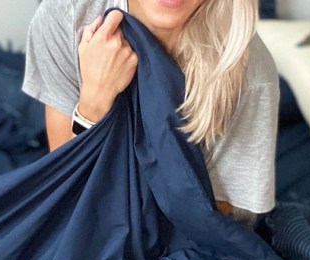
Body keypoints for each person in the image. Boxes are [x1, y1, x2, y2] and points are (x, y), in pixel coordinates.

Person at [22, 0, 278, 226]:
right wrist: (95, 99)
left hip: (182, 236)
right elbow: (66, 183)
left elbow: (216, 218)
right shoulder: (67, 18)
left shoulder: (248, 69)